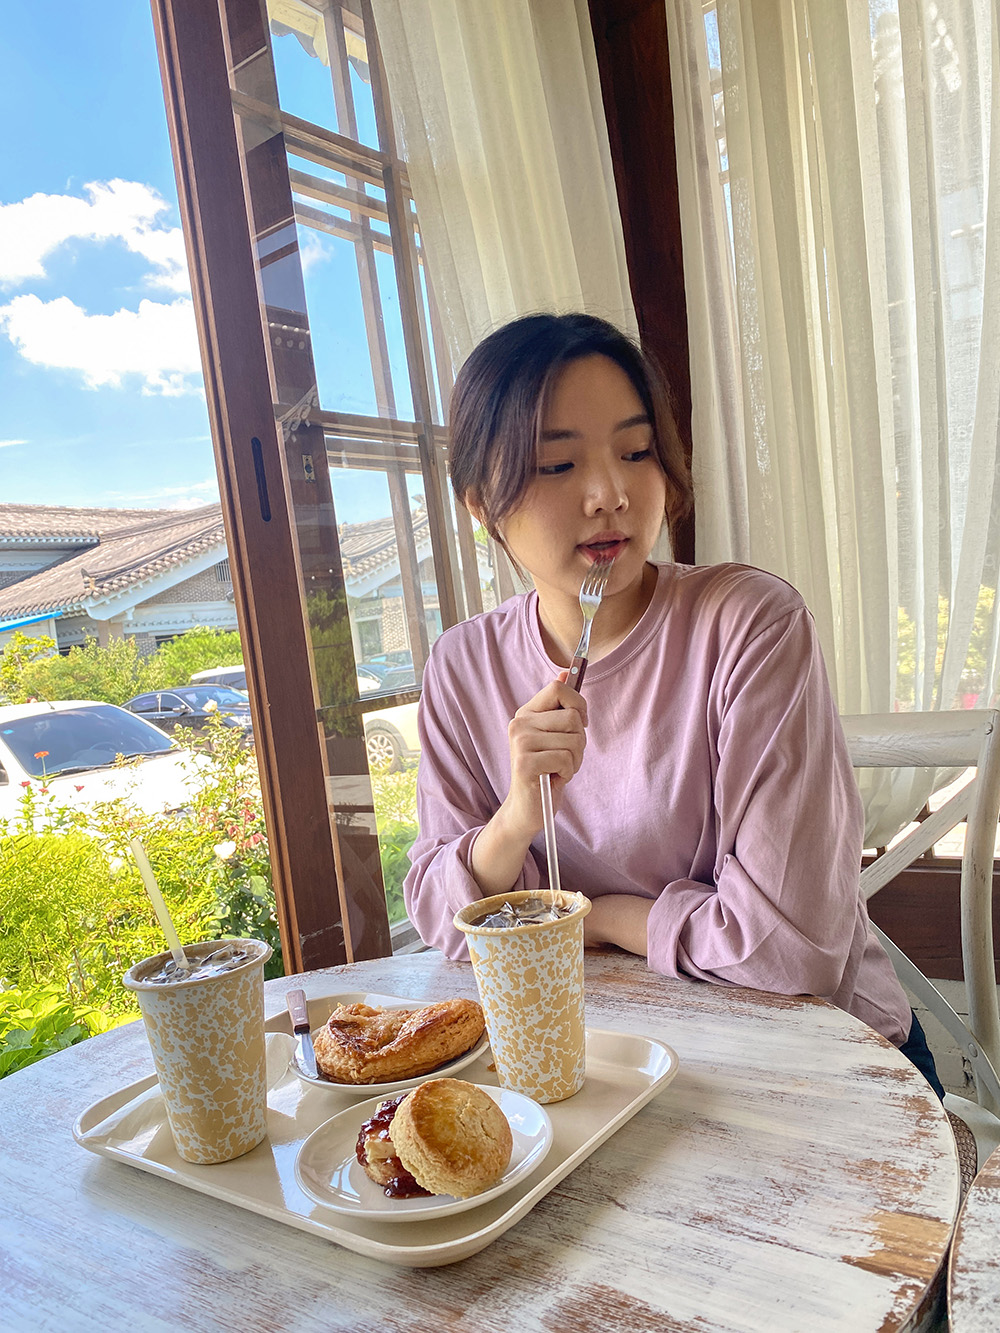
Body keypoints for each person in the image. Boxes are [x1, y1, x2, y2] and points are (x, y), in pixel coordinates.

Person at [403, 311, 943, 1095]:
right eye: (558, 464)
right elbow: (439, 914)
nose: (610, 494)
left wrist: (597, 916)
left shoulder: (749, 624)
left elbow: (792, 952)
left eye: (636, 452)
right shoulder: (462, 667)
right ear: (481, 502)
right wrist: (516, 817)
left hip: (831, 1064)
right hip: (619, 1061)